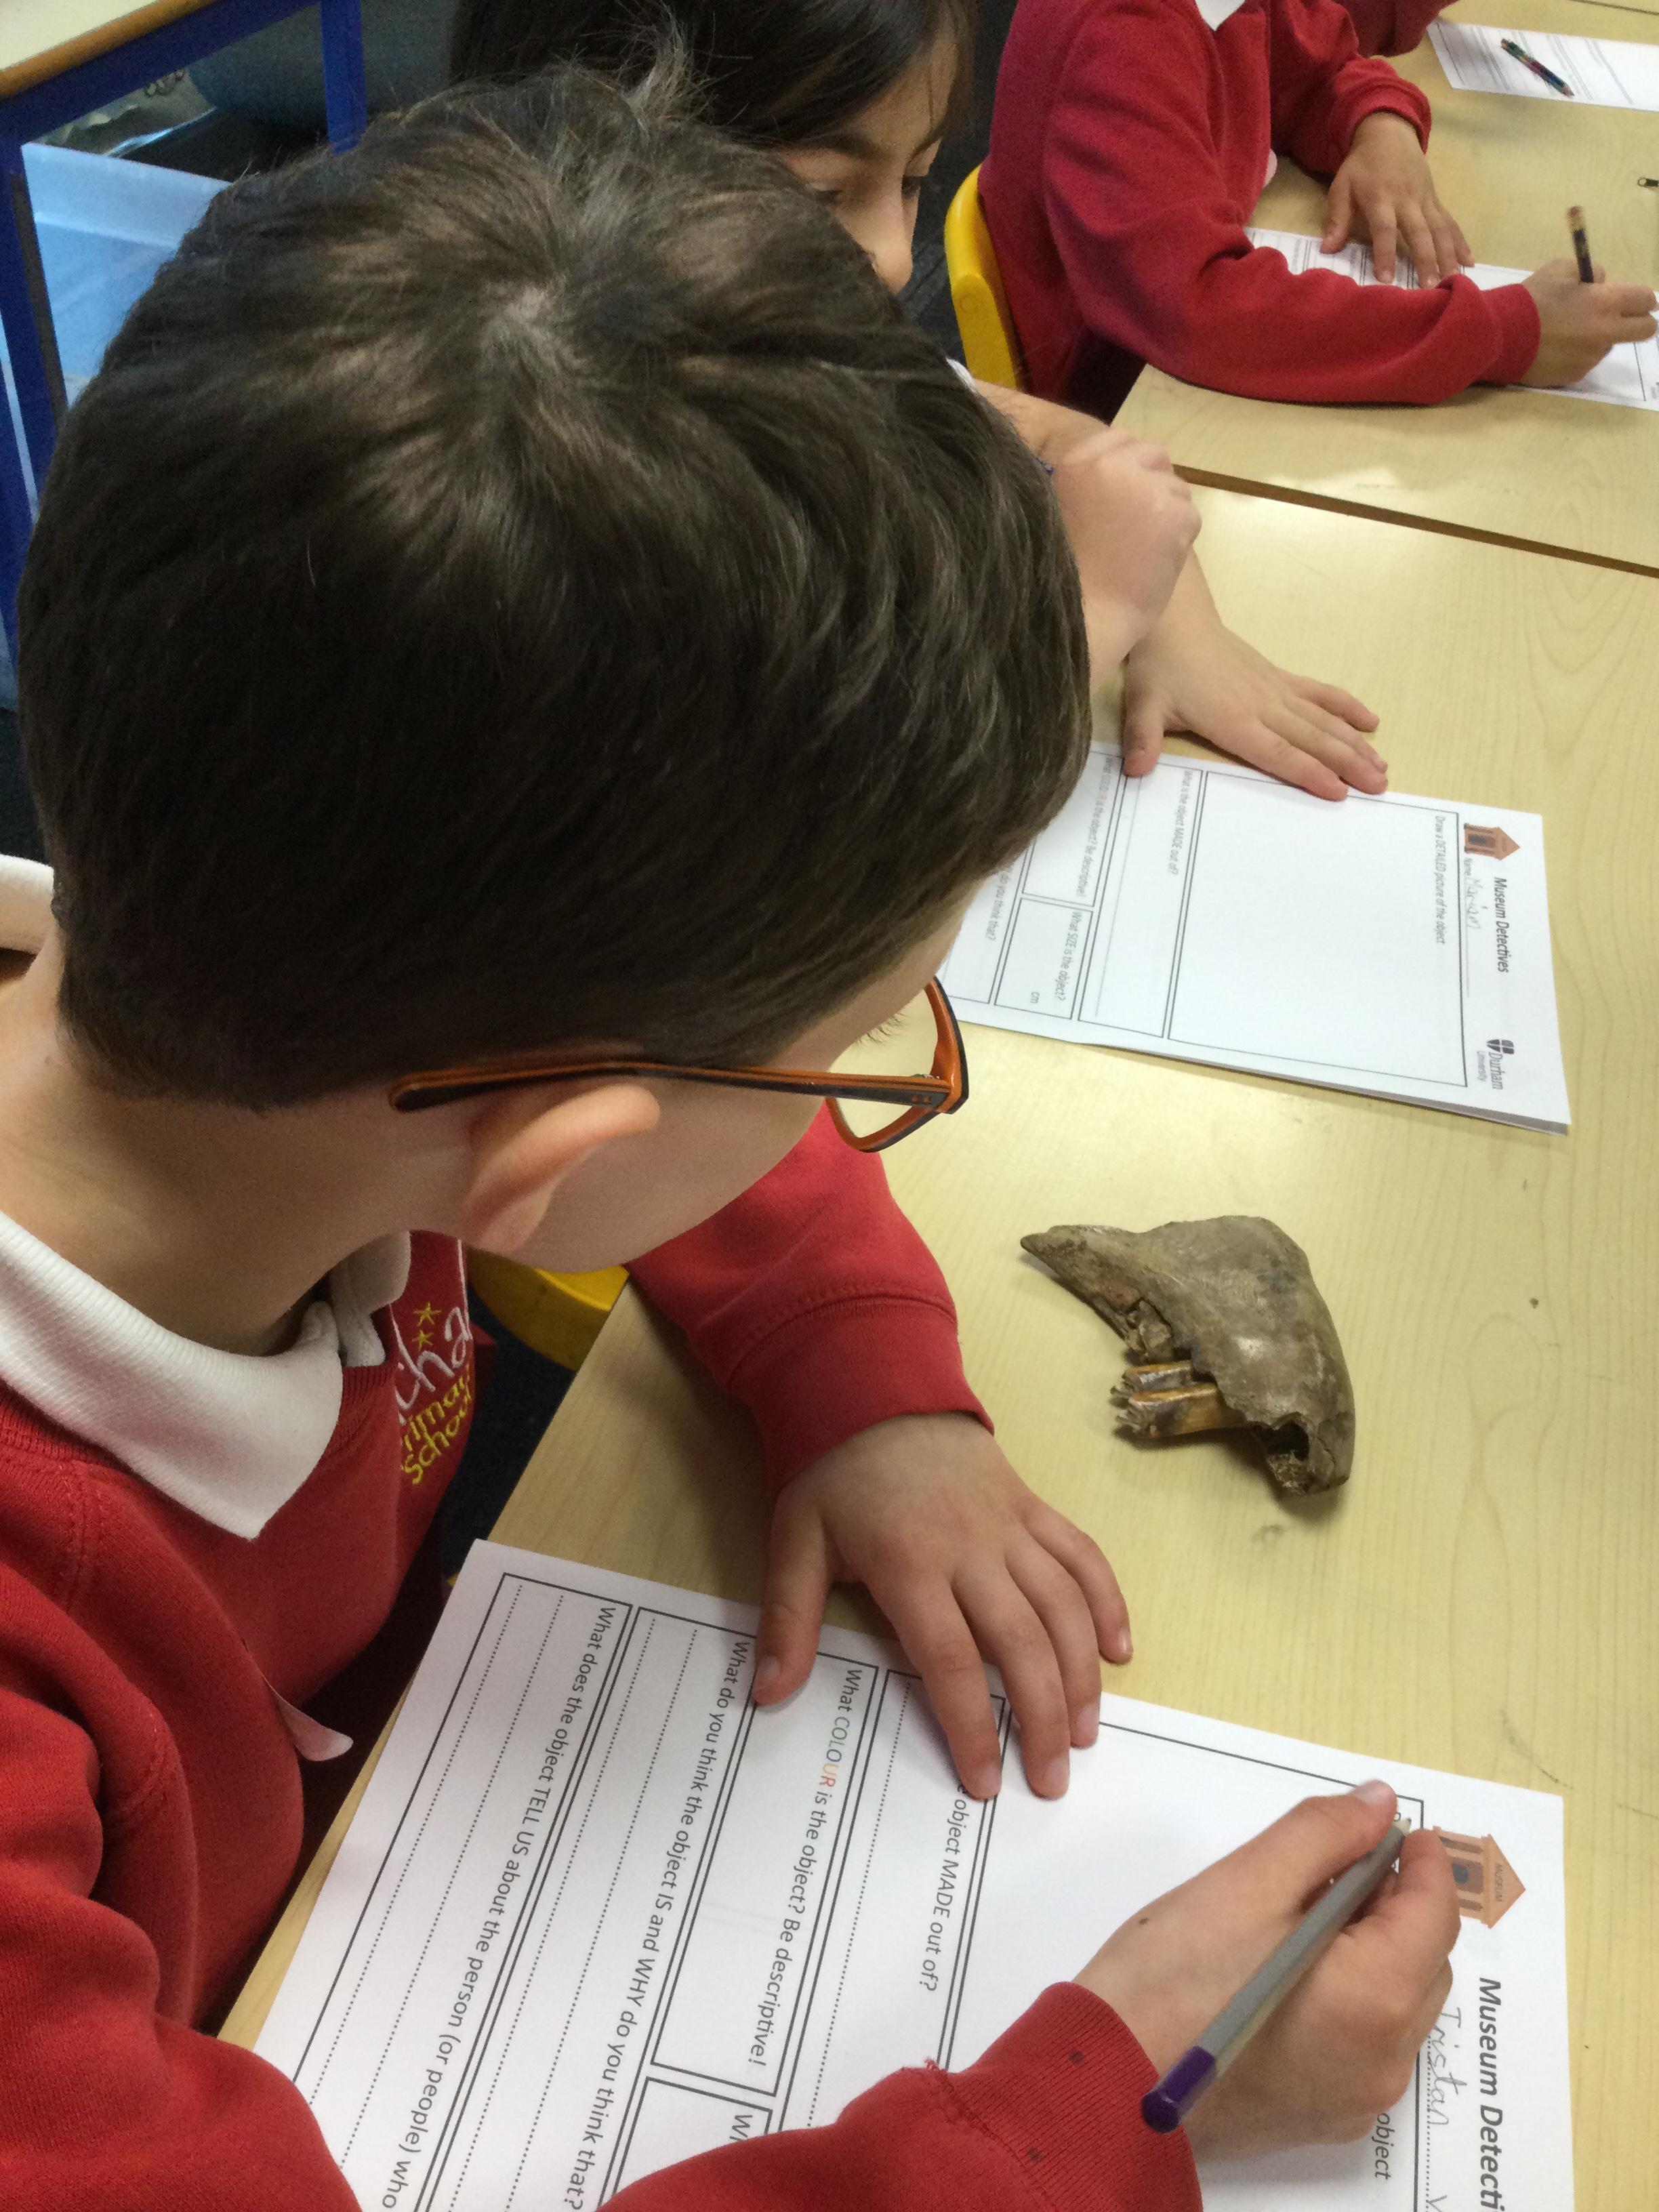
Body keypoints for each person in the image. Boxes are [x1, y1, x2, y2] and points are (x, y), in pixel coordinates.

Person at [0, 70, 1462, 2209]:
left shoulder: (265, 987)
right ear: (560, 1169)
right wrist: (1108, 2115)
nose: (840, 1112)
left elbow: (617, 1080)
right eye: (848, 1058)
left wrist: (863, 1375)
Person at [453, 0, 1392, 798]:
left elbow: (1052, 432)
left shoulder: (791, 351)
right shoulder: (561, 509)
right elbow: (837, 844)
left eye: (911, 183)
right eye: (824, 195)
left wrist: (1179, 624)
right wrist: (1100, 614)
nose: (898, 260)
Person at [981, 0, 1659, 413]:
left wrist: (1379, 126)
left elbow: (1321, 65)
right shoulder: (1122, 32)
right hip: (1122, 403)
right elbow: (1199, 310)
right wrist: (1500, 334)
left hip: (1186, 364)